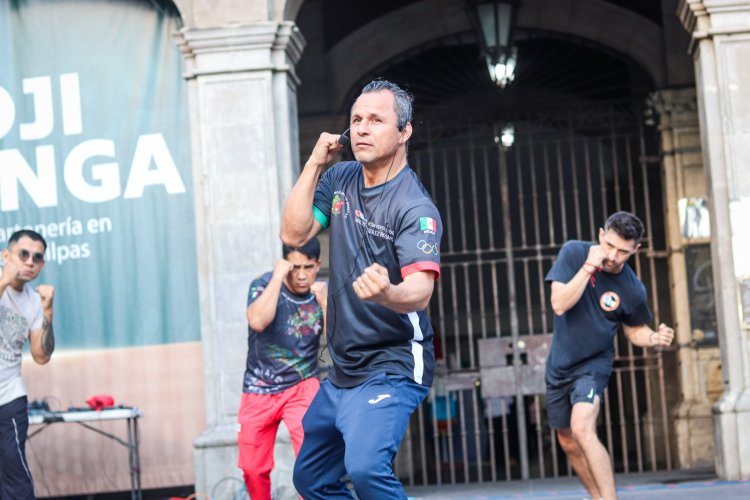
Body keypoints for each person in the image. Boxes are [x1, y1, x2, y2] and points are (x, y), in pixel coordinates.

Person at [280, 79, 442, 499]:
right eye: (356, 120)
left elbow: (420, 291)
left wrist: (387, 293)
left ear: (404, 132)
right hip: (343, 370)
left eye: (376, 120)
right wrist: (314, 163)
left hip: (392, 362)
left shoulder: (414, 206)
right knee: (311, 479)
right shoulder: (341, 178)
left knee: (366, 469)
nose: (362, 129)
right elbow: (294, 234)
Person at [544, 212, 674, 500]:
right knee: (567, 439)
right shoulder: (575, 253)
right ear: (601, 235)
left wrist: (654, 338)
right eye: (610, 246)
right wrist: (589, 267)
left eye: (623, 251)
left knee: (581, 427)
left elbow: (634, 330)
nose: (614, 256)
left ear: (635, 250)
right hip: (560, 363)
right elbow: (559, 303)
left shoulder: (632, 288)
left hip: (594, 364)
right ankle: (597, 496)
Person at [237, 238, 326, 500]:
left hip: (302, 385)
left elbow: (341, 340)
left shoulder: (321, 293)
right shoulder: (264, 284)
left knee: (312, 460)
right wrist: (277, 278)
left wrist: (324, 303)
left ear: (317, 265)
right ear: (285, 264)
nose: (301, 275)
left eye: (308, 267)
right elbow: (257, 321)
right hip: (258, 388)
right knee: (253, 469)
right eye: (294, 267)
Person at [0, 230, 55, 499]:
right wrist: (3, 283)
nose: (30, 262)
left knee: (14, 468)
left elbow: (41, 356)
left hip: (9, 394)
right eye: (23, 254)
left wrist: (47, 312)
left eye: (37, 257)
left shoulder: (33, 300)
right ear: (6, 255)